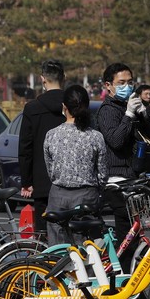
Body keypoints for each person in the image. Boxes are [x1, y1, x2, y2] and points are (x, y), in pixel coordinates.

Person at [95, 62, 150, 270]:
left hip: (134, 179)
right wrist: (129, 116)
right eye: (121, 83)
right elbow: (115, 141)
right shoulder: (107, 111)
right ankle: (124, 282)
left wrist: (143, 113)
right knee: (128, 237)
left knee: (139, 234)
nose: (127, 87)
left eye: (130, 82)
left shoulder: (129, 105)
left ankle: (131, 277)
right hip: (117, 180)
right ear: (108, 86)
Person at [44, 84, 109, 245]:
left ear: (64, 107)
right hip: (86, 196)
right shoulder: (95, 137)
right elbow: (102, 174)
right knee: (87, 249)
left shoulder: (51, 135)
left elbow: (51, 171)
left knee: (58, 248)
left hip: (58, 195)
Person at [18, 60, 66, 235]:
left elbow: (25, 148)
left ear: (42, 79)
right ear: (64, 78)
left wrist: (27, 182)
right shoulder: (72, 105)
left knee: (44, 234)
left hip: (42, 180)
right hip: (70, 181)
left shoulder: (32, 108)